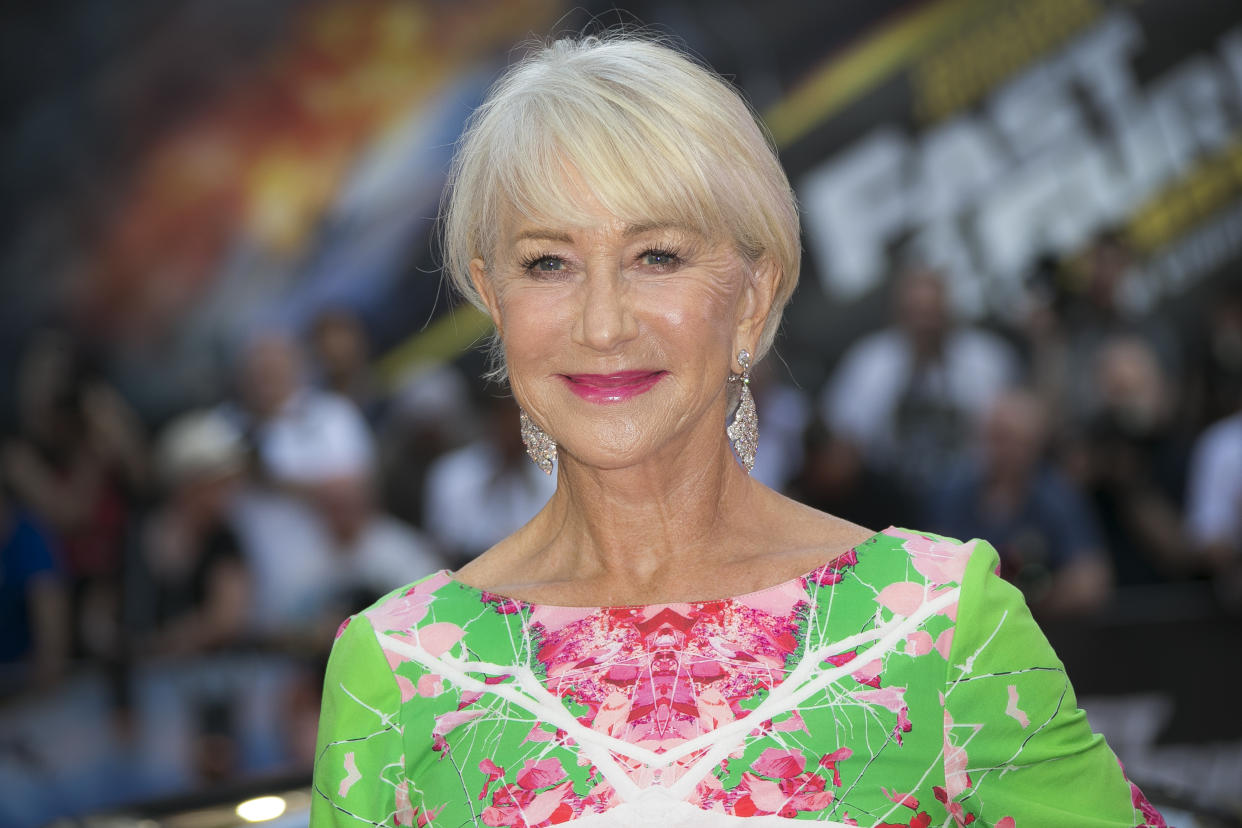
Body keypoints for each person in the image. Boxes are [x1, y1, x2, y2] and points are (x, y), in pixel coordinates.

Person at [312, 35, 1164, 827]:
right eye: (548, 263)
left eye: (658, 256)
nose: (602, 323)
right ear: (493, 300)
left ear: (755, 296)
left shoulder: (938, 626)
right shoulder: (398, 668)